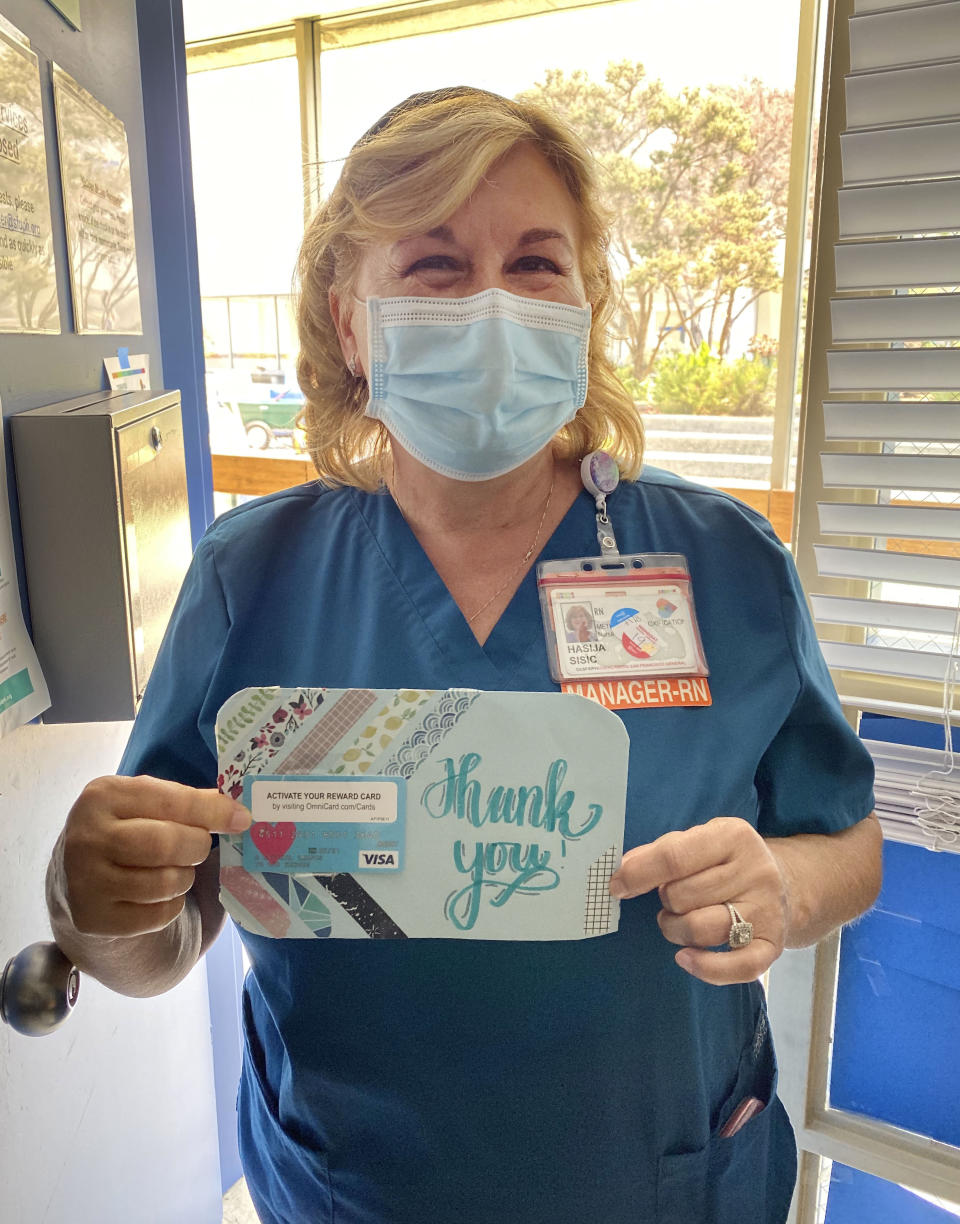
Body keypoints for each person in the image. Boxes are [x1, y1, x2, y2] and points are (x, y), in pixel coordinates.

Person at [46, 87, 881, 1224]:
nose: (493, 303)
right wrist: (89, 904)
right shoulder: (256, 580)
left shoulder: (724, 564)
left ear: (586, 306)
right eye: (437, 267)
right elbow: (163, 939)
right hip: (359, 1189)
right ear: (350, 320)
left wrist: (781, 887)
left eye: (537, 265)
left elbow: (850, 843)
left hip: (665, 1183)